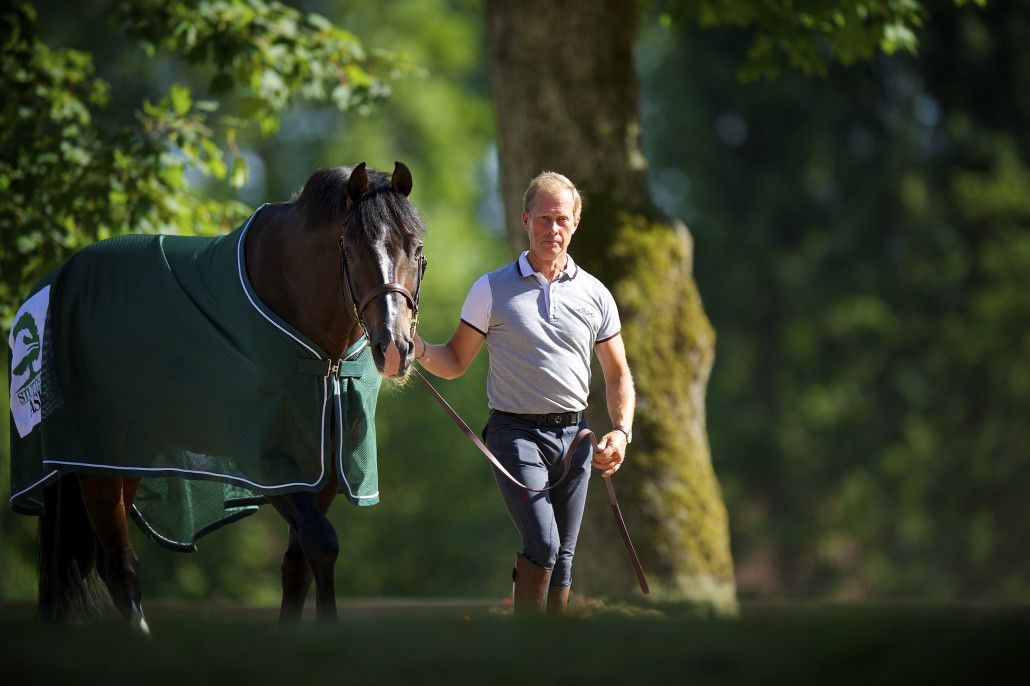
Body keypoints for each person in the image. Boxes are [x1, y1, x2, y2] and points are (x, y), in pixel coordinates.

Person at [414, 171, 635, 615]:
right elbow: (455, 362)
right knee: (544, 543)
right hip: (514, 434)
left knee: (565, 558)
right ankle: (525, 644)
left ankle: (548, 659)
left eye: (561, 219)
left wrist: (622, 432)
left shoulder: (597, 295)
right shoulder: (491, 289)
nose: (551, 229)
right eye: (542, 219)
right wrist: (416, 348)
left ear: (575, 223)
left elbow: (617, 374)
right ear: (524, 220)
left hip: (576, 438)